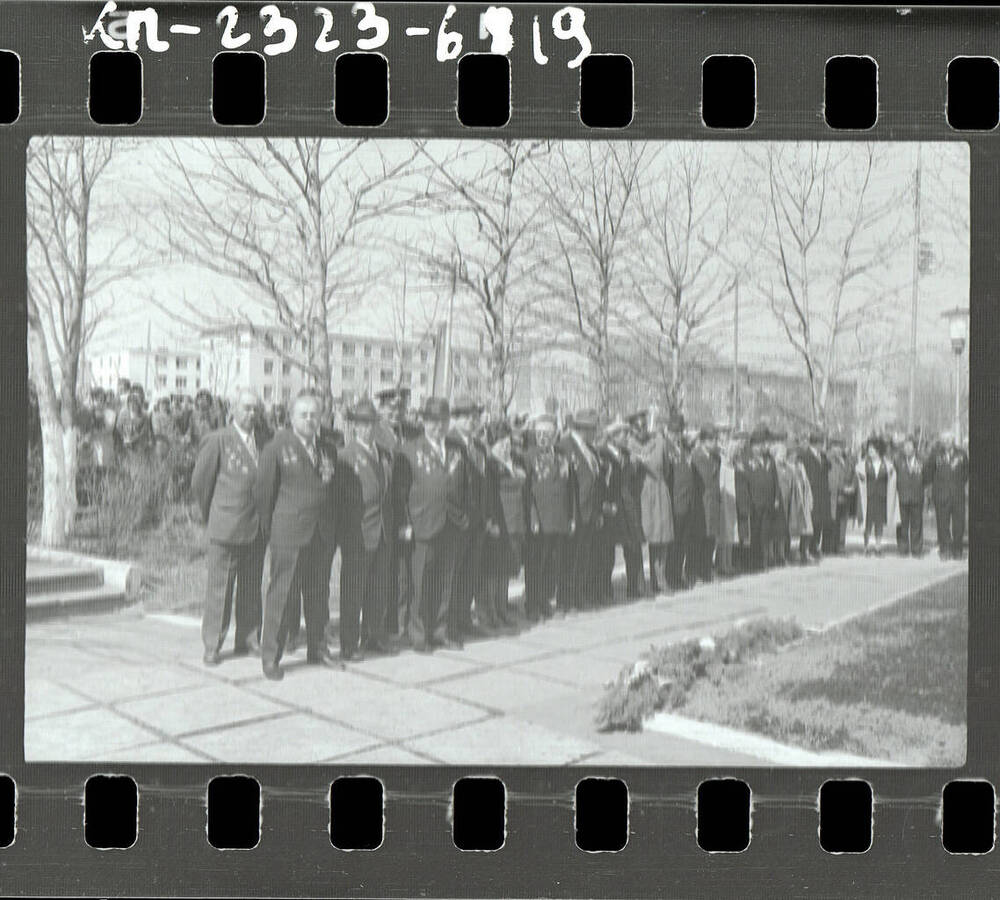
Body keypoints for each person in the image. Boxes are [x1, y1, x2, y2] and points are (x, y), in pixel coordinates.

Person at [254, 390, 341, 680]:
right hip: (289, 534)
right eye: (303, 414)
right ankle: (271, 656)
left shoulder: (327, 449)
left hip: (320, 534)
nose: (309, 419)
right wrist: (272, 531)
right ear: (291, 417)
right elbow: (264, 494)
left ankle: (318, 648)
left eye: (314, 414)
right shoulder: (276, 447)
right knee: (282, 595)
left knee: (318, 593)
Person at [191, 389, 266, 666]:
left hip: (255, 528)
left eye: (256, 409)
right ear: (233, 409)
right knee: (220, 590)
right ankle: (213, 643)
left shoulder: (263, 441)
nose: (252, 414)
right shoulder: (218, 440)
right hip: (226, 526)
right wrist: (213, 516)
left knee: (250, 586)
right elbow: (201, 483)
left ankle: (248, 637)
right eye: (246, 408)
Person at [393, 397, 468, 652]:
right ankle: (418, 633)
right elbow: (399, 493)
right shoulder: (409, 450)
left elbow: (463, 485)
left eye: (443, 422)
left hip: (451, 524)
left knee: (445, 581)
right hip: (421, 525)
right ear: (424, 422)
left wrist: (463, 516)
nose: (438, 427)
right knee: (420, 583)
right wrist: (404, 523)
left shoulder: (457, 449)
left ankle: (440, 630)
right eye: (433, 422)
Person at [337, 398, 397, 661]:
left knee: (378, 588)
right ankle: (349, 644)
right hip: (358, 534)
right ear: (353, 427)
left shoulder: (384, 453)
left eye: (371, 424)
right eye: (362, 425)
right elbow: (338, 502)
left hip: (382, 531)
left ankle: (374, 635)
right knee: (353, 591)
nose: (367, 430)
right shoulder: (345, 456)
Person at [523, 413, 575, 620]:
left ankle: (544, 601)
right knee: (536, 564)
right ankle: (532, 605)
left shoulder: (563, 457)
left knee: (553, 564)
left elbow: (570, 489)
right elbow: (526, 492)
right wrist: (533, 518)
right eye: (539, 433)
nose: (543, 437)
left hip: (560, 519)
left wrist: (571, 518)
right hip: (540, 521)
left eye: (548, 433)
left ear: (556, 435)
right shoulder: (529, 456)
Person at [560, 409, 605, 611]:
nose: (596, 433)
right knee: (569, 559)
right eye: (593, 429)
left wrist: (598, 512)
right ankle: (566, 600)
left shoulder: (590, 449)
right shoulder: (565, 446)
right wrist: (569, 515)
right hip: (575, 512)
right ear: (583, 429)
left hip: (589, 512)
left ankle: (577, 597)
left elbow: (596, 481)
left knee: (582, 558)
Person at [598, 418, 646, 600]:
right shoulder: (603, 454)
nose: (627, 437)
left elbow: (636, 478)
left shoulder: (626, 454)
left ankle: (633, 588)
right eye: (623, 434)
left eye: (627, 433)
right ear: (613, 437)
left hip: (628, 507)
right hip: (612, 507)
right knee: (607, 553)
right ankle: (604, 590)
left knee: (633, 548)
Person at [630, 409, 674, 594]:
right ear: (631, 429)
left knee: (661, 538)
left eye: (643, 425)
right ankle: (637, 583)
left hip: (659, 490)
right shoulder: (629, 445)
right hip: (640, 495)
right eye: (637, 427)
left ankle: (660, 579)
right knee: (638, 540)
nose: (641, 430)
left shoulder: (659, 442)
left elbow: (666, 468)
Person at [923, 430, 969, 560]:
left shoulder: (962, 454)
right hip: (941, 495)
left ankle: (957, 550)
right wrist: (932, 490)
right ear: (941, 442)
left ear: (953, 440)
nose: (946, 442)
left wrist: (957, 484)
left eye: (948, 439)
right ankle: (944, 550)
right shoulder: (935, 454)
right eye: (944, 440)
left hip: (957, 495)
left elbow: (966, 473)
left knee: (959, 524)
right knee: (942, 524)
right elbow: (928, 472)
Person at [665, 413, 696, 589]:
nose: (677, 434)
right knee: (673, 542)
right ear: (668, 431)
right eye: (674, 431)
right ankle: (669, 576)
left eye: (680, 431)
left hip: (687, 502)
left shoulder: (683, 448)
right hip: (676, 502)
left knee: (683, 541)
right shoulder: (666, 448)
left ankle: (677, 574)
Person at [855, 436, 898, 556]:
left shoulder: (888, 465)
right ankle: (866, 546)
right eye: (869, 449)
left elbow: (892, 481)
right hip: (868, 498)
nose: (870, 451)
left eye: (872, 449)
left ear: (879, 450)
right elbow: (859, 479)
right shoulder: (863, 465)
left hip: (882, 498)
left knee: (879, 523)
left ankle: (878, 547)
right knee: (867, 522)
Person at [745, 426, 779, 571]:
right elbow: (745, 482)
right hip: (754, 503)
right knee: (755, 534)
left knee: (765, 533)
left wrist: (776, 497)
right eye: (758, 445)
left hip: (768, 502)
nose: (761, 448)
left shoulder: (769, 460)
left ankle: (764, 560)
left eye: (762, 444)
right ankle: (754, 562)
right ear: (752, 446)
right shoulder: (747, 460)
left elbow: (775, 479)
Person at [691, 425, 722, 582]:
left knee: (711, 539)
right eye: (711, 439)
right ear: (702, 441)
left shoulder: (716, 457)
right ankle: (694, 574)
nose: (715, 442)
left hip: (714, 502)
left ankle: (706, 571)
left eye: (716, 439)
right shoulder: (695, 457)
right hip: (700, 503)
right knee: (698, 539)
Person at [800, 430, 831, 560]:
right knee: (810, 521)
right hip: (811, 492)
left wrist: (824, 457)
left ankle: (815, 547)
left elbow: (828, 467)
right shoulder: (805, 456)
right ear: (816, 443)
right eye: (821, 443)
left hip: (822, 492)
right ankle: (804, 549)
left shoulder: (822, 456)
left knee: (820, 521)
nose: (823, 445)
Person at [895, 435, 925, 557]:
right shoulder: (897, 461)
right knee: (901, 524)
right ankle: (903, 549)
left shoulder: (922, 461)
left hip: (917, 496)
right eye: (905, 446)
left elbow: (927, 478)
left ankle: (916, 550)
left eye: (909, 446)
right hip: (902, 497)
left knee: (916, 524)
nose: (907, 448)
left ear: (914, 447)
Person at [825, 437, 852, 555]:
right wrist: (842, 488)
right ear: (831, 448)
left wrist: (851, 487)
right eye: (835, 447)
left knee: (842, 522)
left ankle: (840, 545)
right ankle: (829, 547)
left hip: (845, 496)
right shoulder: (828, 460)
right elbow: (831, 479)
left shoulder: (847, 461)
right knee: (831, 521)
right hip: (832, 495)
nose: (838, 450)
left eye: (840, 447)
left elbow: (852, 474)